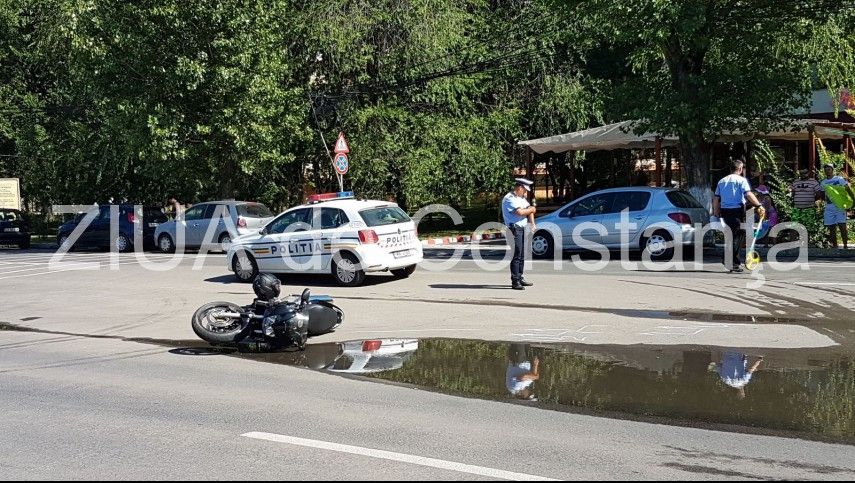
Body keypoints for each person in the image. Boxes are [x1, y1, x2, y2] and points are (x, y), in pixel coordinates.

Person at [713, 159, 766, 273]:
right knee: (737, 236)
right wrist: (758, 205)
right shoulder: (742, 180)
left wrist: (716, 212)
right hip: (737, 211)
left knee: (732, 235)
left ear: (730, 168)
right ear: (741, 169)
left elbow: (716, 198)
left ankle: (731, 260)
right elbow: (748, 194)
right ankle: (731, 262)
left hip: (725, 211)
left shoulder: (721, 181)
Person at [502, 178, 536, 290]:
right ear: (520, 187)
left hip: (522, 228)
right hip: (514, 229)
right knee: (516, 254)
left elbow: (529, 209)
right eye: (524, 190)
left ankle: (520, 277)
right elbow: (520, 212)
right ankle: (515, 281)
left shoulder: (521, 198)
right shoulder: (509, 198)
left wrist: (532, 223)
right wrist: (532, 210)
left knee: (522, 254)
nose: (526, 192)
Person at [817, 163, 854, 249]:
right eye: (825, 170)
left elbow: (848, 189)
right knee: (831, 227)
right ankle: (835, 246)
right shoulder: (823, 182)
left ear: (832, 170)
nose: (827, 171)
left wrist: (853, 200)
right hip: (829, 207)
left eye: (829, 169)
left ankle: (845, 245)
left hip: (840, 206)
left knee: (842, 226)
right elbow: (822, 196)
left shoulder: (839, 179)